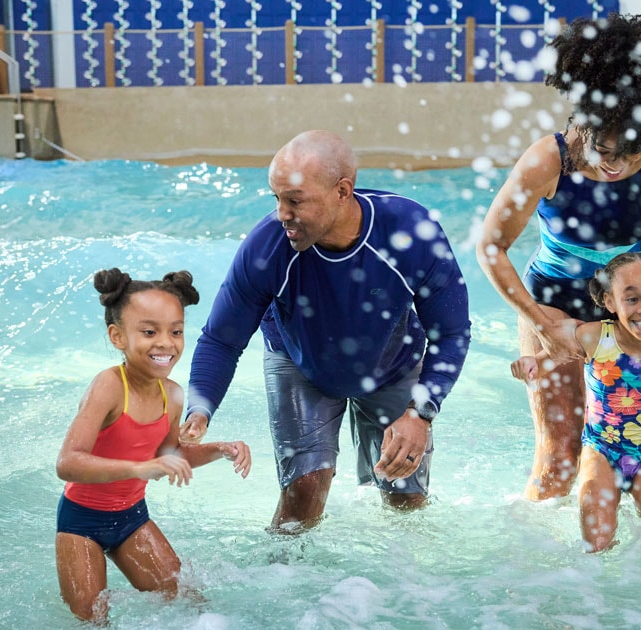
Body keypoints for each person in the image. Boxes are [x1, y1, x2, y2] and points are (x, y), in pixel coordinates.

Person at [178, 130, 471, 532]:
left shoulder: (410, 233)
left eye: (295, 201)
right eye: (276, 199)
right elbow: (221, 339)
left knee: (406, 499)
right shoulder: (267, 248)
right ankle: (283, 585)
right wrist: (200, 406)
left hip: (393, 362)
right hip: (300, 361)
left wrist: (420, 412)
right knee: (302, 499)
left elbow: (451, 332)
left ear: (342, 191)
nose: (282, 213)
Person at [477, 12, 641, 501]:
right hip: (549, 303)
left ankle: (615, 566)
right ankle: (538, 568)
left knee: (629, 449)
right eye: (605, 151)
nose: (616, 166)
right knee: (560, 454)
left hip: (626, 310)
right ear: (583, 124)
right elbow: (491, 246)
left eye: (632, 155)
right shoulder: (547, 160)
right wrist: (541, 324)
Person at [54, 268, 252, 623]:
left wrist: (222, 449)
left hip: (132, 519)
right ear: (117, 336)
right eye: (149, 332)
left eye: (176, 331)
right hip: (81, 523)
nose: (166, 343)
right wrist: (138, 468)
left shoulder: (173, 395)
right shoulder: (109, 386)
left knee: (191, 606)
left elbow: (167, 456)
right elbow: (68, 463)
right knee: (93, 620)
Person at [511, 252, 641, 552]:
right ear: (609, 302)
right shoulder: (595, 338)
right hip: (600, 454)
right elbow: (548, 359)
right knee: (596, 546)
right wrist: (530, 366)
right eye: (632, 299)